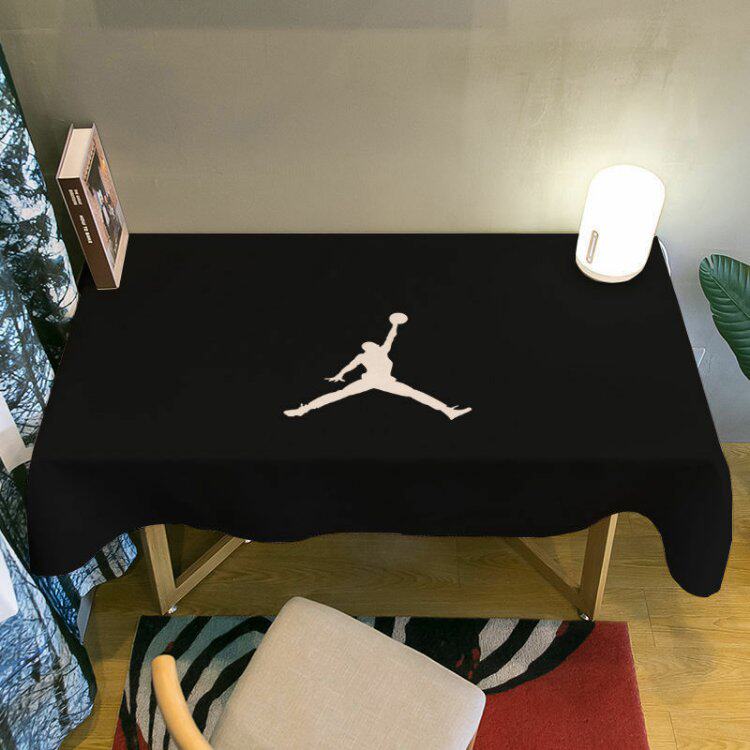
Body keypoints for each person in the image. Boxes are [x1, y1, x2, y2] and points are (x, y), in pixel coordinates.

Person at [284, 313, 471, 420]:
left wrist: (395, 325)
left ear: (374, 346)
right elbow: (350, 366)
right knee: (339, 394)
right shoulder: (363, 356)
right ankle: (304, 409)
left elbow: (391, 337)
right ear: (365, 348)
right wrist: (340, 374)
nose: (368, 346)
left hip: (386, 381)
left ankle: (448, 411)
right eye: (366, 345)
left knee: (414, 393)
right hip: (369, 380)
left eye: (370, 344)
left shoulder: (382, 351)